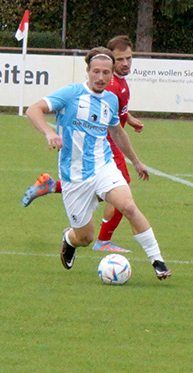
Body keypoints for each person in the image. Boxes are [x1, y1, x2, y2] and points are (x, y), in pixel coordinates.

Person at [25, 47, 172, 280]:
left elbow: (116, 131)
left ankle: (158, 261)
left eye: (106, 73)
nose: (101, 77)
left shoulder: (111, 99)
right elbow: (33, 110)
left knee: (129, 207)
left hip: (104, 165)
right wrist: (48, 132)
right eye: (96, 72)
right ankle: (69, 239)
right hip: (74, 175)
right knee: (85, 237)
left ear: (112, 74)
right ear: (88, 71)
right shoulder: (71, 93)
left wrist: (136, 161)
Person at [22, 35, 142, 255]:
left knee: (108, 191)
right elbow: (35, 109)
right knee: (121, 195)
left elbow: (114, 113)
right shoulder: (106, 84)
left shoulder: (119, 86)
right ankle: (103, 239)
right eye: (121, 59)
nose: (125, 63)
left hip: (106, 145)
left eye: (129, 58)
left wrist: (130, 119)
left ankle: (51, 186)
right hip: (102, 147)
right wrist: (49, 132)